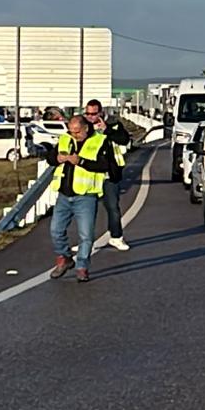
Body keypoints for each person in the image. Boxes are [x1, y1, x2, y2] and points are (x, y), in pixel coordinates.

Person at [47, 115, 120, 283]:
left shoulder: (100, 141)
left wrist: (81, 161)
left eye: (77, 132)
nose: (74, 135)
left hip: (86, 196)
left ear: (86, 128)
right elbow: (50, 157)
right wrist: (56, 159)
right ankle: (65, 258)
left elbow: (106, 165)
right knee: (55, 230)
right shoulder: (65, 139)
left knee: (86, 235)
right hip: (64, 195)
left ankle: (82, 267)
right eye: (71, 131)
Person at [84, 99, 132, 251]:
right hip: (89, 174)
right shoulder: (84, 127)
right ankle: (86, 241)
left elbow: (124, 140)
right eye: (88, 113)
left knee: (112, 207)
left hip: (109, 174)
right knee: (87, 210)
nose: (90, 117)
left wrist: (107, 130)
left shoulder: (113, 124)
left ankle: (116, 237)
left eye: (94, 113)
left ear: (101, 113)